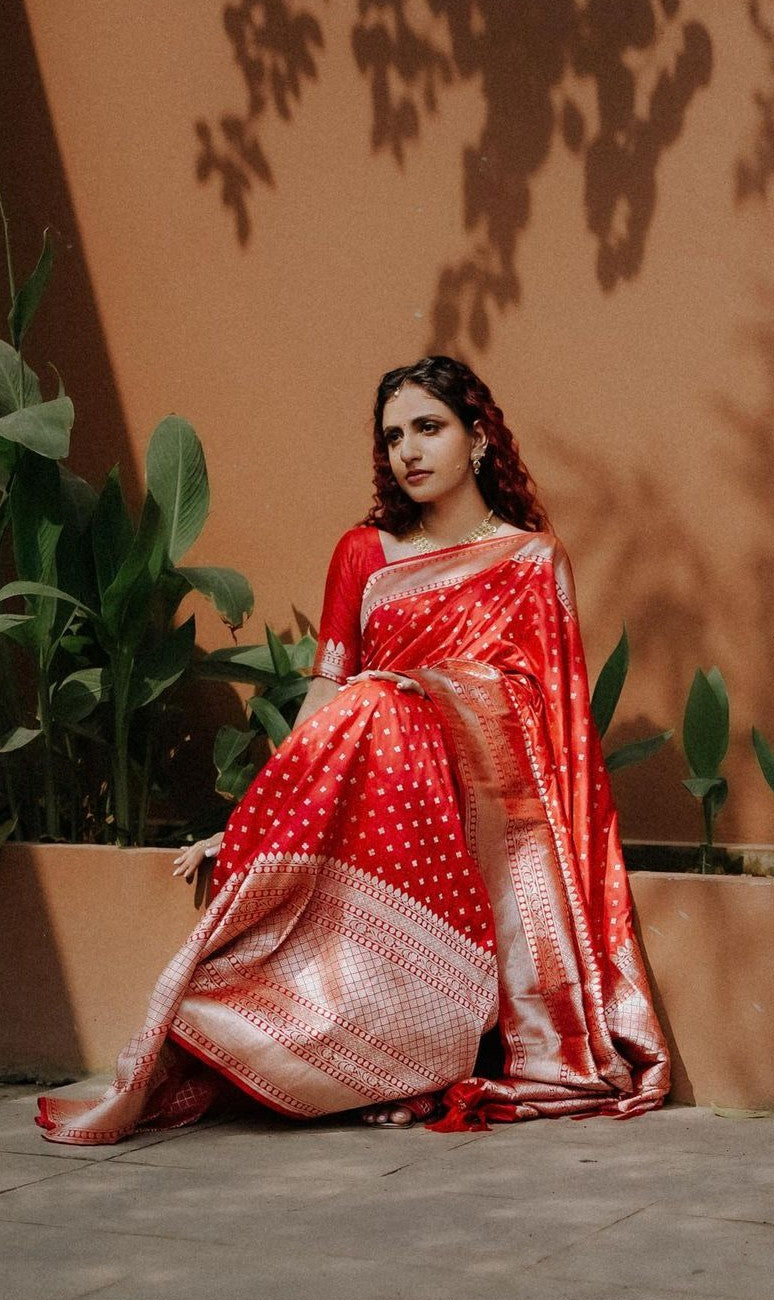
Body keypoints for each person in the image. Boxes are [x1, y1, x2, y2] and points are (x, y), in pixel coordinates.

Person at [37, 356, 669, 1144]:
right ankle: (328, 1051)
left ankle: (406, 1055)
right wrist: (255, 817)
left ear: (478, 438)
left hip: (480, 794)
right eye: (393, 436)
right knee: (372, 702)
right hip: (378, 779)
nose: (408, 450)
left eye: (428, 428)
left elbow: (551, 715)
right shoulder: (364, 553)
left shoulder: (533, 560)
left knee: (381, 701)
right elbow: (326, 700)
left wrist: (430, 693)